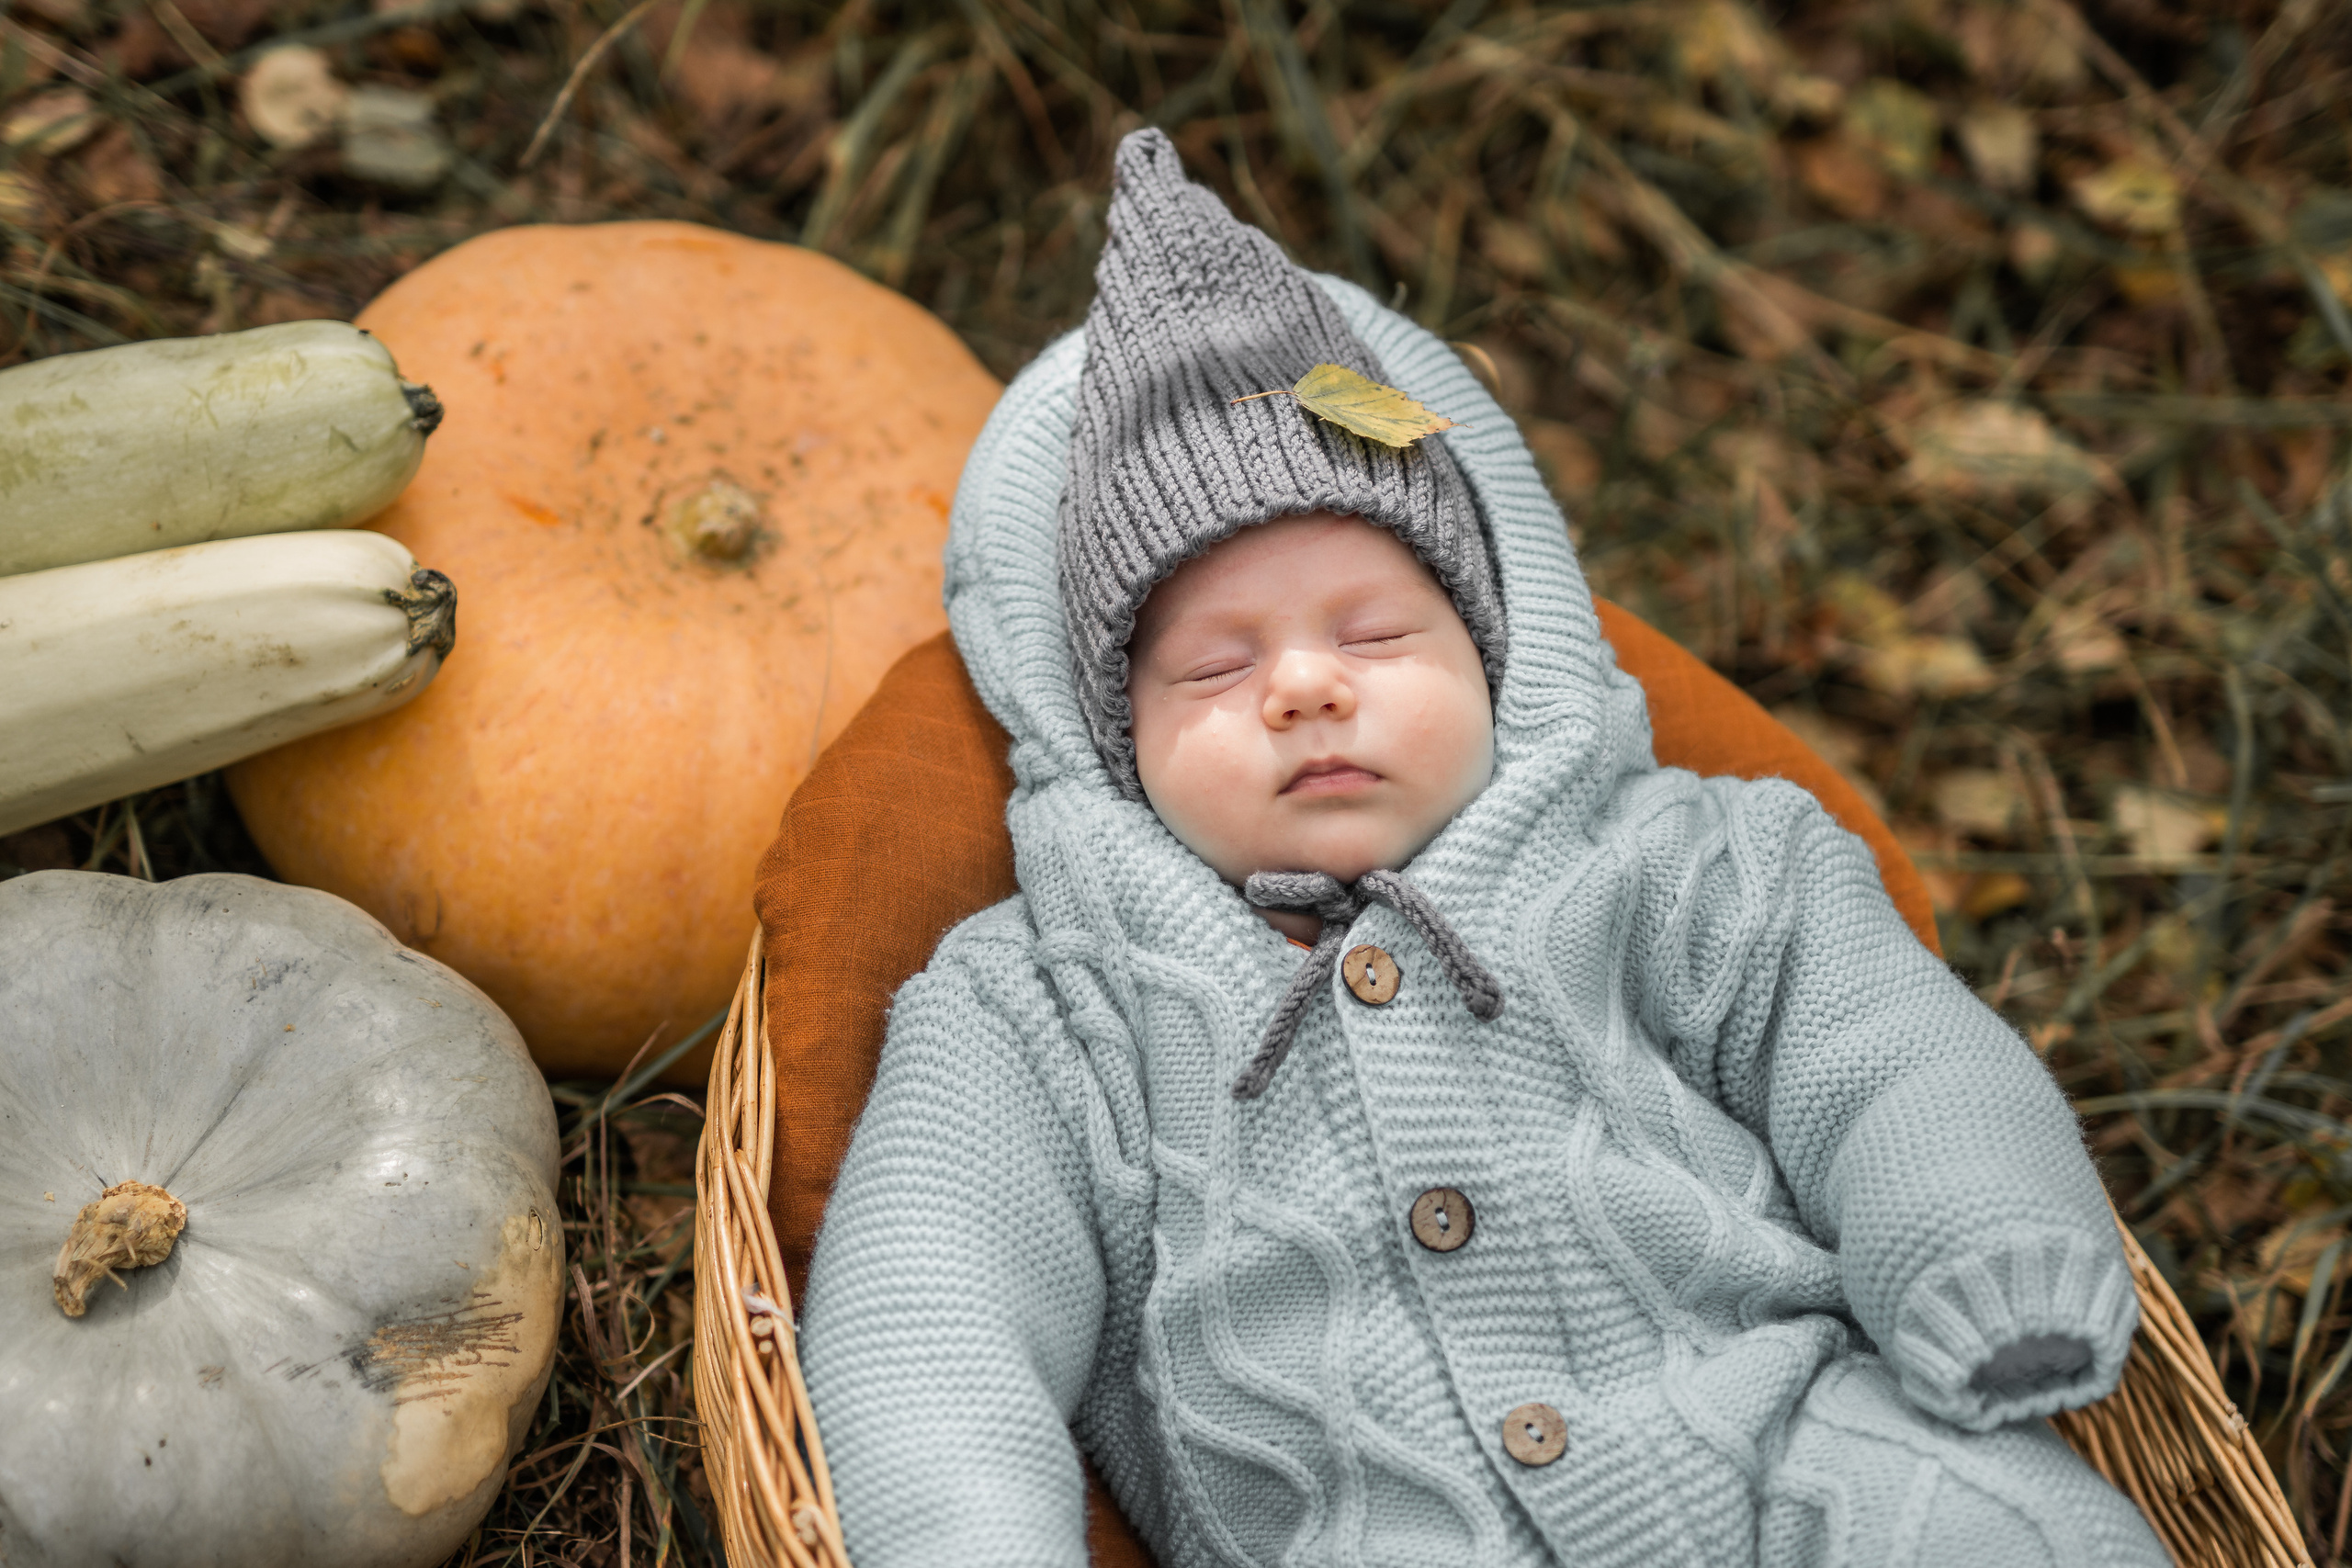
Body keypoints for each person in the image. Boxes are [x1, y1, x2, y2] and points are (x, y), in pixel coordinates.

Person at [795, 127, 2167, 1568]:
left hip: (1787, 1454)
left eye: (1376, 633)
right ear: (1109, 740)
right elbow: (931, 1307)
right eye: (1213, 668)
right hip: (1369, 1535)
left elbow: (1888, 1058)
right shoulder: (1043, 1007)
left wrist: (1976, 1247)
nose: (1306, 686)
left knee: (1997, 1522)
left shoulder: (1686, 858)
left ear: (1495, 653)